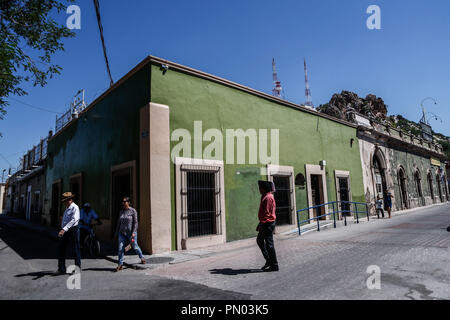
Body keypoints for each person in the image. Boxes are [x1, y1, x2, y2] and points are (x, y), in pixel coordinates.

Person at [114, 197, 146, 272]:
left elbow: (135, 223)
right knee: (120, 248)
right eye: (123, 201)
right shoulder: (121, 212)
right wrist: (116, 231)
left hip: (131, 233)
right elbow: (119, 222)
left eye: (125, 201)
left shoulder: (133, 211)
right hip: (121, 233)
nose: (123, 203)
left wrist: (133, 232)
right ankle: (120, 264)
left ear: (128, 202)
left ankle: (142, 257)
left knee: (135, 246)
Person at [256, 180, 279, 272]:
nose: (259, 190)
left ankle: (274, 264)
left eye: (260, 188)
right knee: (260, 240)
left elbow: (266, 213)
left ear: (264, 188)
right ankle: (269, 260)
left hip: (267, 223)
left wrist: (261, 224)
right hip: (265, 222)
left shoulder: (268, 197)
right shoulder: (264, 196)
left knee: (269, 244)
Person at [56, 192, 81, 275]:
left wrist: (64, 229)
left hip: (73, 230)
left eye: (66, 201)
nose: (64, 202)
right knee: (61, 249)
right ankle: (61, 268)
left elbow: (74, 220)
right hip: (65, 230)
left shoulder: (75, 207)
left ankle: (77, 268)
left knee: (75, 250)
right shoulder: (67, 208)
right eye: (64, 201)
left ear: (70, 200)